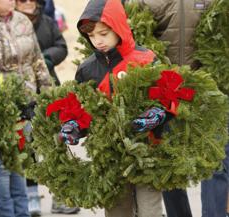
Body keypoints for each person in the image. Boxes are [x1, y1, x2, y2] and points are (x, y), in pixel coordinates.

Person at [128, 0, 229, 217]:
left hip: (209, 90)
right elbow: (136, 38)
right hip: (165, 92)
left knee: (217, 161)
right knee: (169, 165)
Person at [71, 0, 164, 216]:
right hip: (110, 156)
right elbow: (83, 110)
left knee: (150, 211)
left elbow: (166, 98)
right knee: (117, 211)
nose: (98, 41)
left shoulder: (146, 59)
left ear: (118, 27)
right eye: (92, 36)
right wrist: (75, 126)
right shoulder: (87, 69)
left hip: (146, 151)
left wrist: (158, 114)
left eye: (103, 33)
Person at [0, 0, 52, 217]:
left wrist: (46, 95)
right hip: (1, 106)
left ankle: (22, 213)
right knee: (2, 172)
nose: (11, 0)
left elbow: (37, 60)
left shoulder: (22, 20)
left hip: (27, 104)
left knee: (20, 167)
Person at [15, 0, 80, 215]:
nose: (27, 4)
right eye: (21, 0)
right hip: (23, 93)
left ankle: (61, 196)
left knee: (55, 142)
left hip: (47, 88)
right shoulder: (12, 25)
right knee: (28, 145)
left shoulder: (48, 22)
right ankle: (32, 196)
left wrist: (43, 60)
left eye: (31, 0)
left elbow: (61, 47)